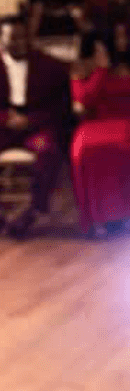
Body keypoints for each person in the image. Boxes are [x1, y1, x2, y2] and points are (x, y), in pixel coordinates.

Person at [69, 26, 130, 236]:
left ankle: (126, 213)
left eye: (123, 36)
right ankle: (98, 218)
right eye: (117, 36)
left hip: (129, 120)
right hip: (94, 122)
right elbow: (84, 100)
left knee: (119, 147)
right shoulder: (82, 67)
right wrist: (101, 70)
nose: (123, 41)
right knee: (84, 151)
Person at [0, 17, 70, 238]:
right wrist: (5, 118)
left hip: (36, 126)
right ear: (2, 40)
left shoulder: (50, 67)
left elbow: (60, 107)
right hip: (4, 126)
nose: (17, 42)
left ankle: (34, 210)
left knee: (47, 149)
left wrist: (30, 120)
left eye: (21, 37)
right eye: (12, 38)